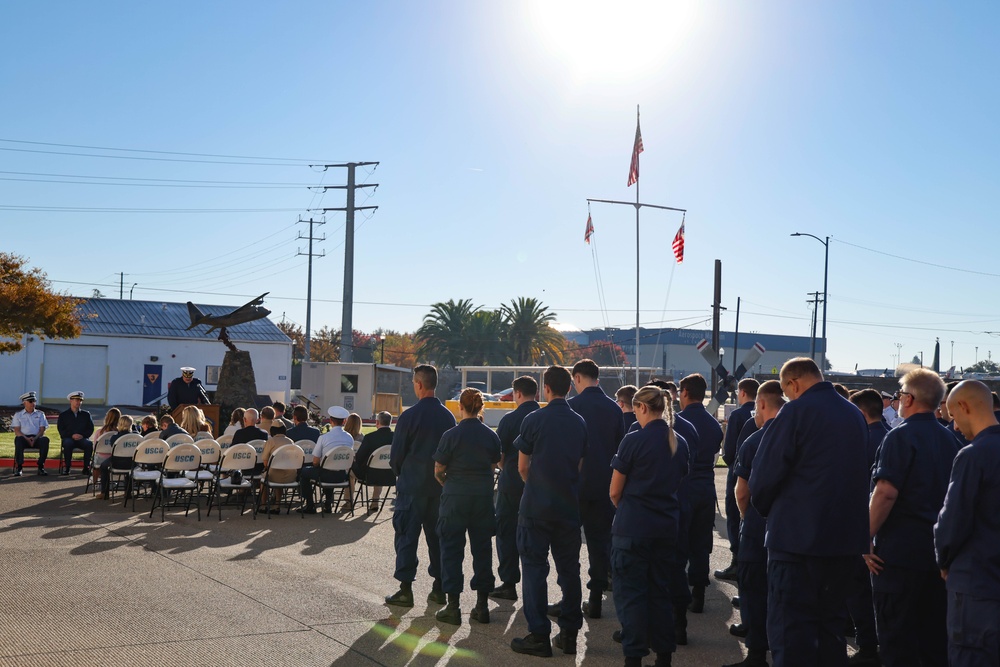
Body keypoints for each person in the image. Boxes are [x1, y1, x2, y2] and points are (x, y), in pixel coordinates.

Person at [749, 358, 869, 667]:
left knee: (791, 635)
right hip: (843, 542)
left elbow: (764, 477)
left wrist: (768, 513)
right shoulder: (853, 413)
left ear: (793, 384)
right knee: (830, 631)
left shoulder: (795, 411)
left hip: (796, 542)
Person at [866, 368, 957, 667]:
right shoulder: (951, 440)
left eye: (900, 395)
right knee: (932, 640)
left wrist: (863, 537)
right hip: (938, 555)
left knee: (897, 640)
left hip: (899, 555)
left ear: (909, 398)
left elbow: (886, 493)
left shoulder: (900, 437)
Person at [510, 365, 588, 657]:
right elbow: (579, 465)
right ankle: (569, 633)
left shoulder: (534, 419)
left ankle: (539, 634)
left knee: (533, 569)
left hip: (536, 506)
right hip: (567, 505)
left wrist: (537, 486)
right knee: (569, 569)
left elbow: (521, 466)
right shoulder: (579, 422)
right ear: (569, 387)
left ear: (546, 388)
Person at [610, 385, 689, 667]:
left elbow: (615, 491)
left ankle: (634, 657)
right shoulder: (678, 441)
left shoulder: (633, 440)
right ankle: (664, 656)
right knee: (660, 594)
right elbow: (678, 483)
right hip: (665, 528)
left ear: (642, 407)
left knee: (631, 596)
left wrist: (629, 510)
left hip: (633, 528)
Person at [934, 380, 1000, 667]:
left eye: (954, 417)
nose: (956, 427)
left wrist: (943, 560)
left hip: (977, 586)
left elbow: (953, 520)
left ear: (964, 406)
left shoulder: (973, 455)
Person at [385, 364, 457, 607]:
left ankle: (405, 589)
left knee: (407, 537)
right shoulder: (448, 416)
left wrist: (401, 474)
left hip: (412, 486)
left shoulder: (409, 416)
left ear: (418, 384)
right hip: (439, 488)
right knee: (437, 540)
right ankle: (439, 588)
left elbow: (397, 455)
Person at [432, 388, 502, 625]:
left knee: (451, 550)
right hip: (481, 497)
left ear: (460, 407)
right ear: (481, 407)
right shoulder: (490, 436)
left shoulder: (450, 435)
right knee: (482, 551)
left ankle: (453, 606)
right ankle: (482, 605)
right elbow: (493, 466)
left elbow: (438, 470)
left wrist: (448, 484)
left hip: (455, 497)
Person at [728, 379, 783, 667]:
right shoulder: (799, 437)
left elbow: (742, 491)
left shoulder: (755, 440)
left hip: (756, 527)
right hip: (788, 531)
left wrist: (747, 516)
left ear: (761, 404)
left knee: (754, 590)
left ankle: (757, 654)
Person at [566, 359, 625, 619]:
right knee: (599, 544)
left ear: (577, 378)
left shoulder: (572, 407)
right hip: (604, 485)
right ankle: (596, 597)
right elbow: (620, 448)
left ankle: (570, 598)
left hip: (574, 486)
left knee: (568, 545)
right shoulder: (614, 409)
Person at [846, 388, 889, 665]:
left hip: (865, 525)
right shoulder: (889, 434)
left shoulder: (862, 440)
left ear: (860, 413)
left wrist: (863, 535)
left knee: (859, 591)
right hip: (890, 528)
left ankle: (868, 647)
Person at [490, 375, 540, 602]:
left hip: (511, 482)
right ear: (536, 393)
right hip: (539, 484)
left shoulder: (509, 420)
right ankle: (534, 584)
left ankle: (508, 582)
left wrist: (507, 467)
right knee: (535, 534)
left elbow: (498, 457)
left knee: (506, 533)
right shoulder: (544, 418)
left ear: (518, 393)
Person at [677, 373, 723, 614]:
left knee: (679, 539)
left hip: (683, 487)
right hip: (706, 487)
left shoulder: (677, 422)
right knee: (701, 541)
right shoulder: (713, 424)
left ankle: (678, 591)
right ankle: (699, 592)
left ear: (684, 393)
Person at [717, 378, 760, 582]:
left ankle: (736, 561)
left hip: (739, 472)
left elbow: (729, 449)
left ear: (742, 393)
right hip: (761, 475)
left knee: (735, 516)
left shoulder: (738, 414)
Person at [298, 406, 355, 514]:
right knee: (332, 466)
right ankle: (328, 503)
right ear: (344, 421)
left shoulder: (324, 437)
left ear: (330, 421)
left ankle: (310, 504)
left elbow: (315, 461)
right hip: (342, 475)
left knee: (304, 472)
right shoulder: (349, 438)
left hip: (325, 474)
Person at [349, 410, 394, 512]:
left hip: (369, 475)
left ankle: (349, 501)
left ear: (377, 422)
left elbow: (359, 458)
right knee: (380, 466)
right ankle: (375, 501)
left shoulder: (370, 437)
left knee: (351, 471)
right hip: (390, 474)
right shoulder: (396, 437)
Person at [12, 391, 50, 476]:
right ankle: (19, 467)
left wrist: (35, 438)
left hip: (37, 437)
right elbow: (17, 431)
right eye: (30, 401)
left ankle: (41, 466)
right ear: (24, 402)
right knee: (18, 440)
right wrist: (27, 439)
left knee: (45, 440)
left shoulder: (40, 414)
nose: (33, 403)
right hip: (24, 438)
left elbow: (42, 429)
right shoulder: (18, 415)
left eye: (34, 401)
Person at [57, 391, 95, 476]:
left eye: (80, 400)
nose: (78, 402)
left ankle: (86, 468)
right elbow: (61, 429)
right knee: (67, 443)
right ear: (71, 400)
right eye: (76, 400)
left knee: (89, 444)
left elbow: (90, 428)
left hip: (82, 438)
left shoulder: (86, 414)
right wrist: (71, 435)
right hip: (69, 438)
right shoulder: (63, 415)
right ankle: (67, 468)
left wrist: (82, 435)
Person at [100, 415, 135, 499]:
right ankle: (128, 492)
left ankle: (104, 492)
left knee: (103, 466)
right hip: (132, 463)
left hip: (117, 462)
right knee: (128, 470)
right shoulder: (136, 437)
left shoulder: (115, 437)